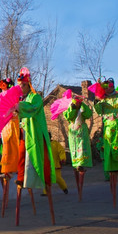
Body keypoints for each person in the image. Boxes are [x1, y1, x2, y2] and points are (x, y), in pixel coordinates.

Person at [16, 67, 56, 224]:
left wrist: (18, 107)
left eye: (22, 85)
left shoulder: (36, 98)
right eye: (19, 85)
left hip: (36, 137)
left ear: (28, 84)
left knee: (42, 163)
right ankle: (21, 179)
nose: (20, 88)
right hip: (25, 137)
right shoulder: (22, 100)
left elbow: (31, 109)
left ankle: (45, 184)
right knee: (20, 162)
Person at [93, 77, 118, 207]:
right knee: (110, 159)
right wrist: (97, 98)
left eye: (111, 85)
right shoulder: (103, 100)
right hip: (109, 131)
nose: (109, 87)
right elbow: (97, 110)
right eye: (106, 86)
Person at [63, 94, 93, 199]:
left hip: (81, 131)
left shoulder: (82, 107)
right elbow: (68, 116)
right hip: (73, 132)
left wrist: (82, 104)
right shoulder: (68, 106)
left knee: (82, 149)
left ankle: (81, 164)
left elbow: (88, 114)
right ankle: (76, 164)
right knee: (74, 150)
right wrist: (72, 107)